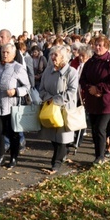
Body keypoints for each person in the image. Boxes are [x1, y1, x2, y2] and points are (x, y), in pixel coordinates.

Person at [79, 36, 110, 165]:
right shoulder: (90, 62)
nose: (97, 48)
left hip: (107, 101)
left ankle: (101, 156)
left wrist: (99, 89)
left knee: (100, 128)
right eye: (96, 45)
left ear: (107, 47)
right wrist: (90, 89)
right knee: (94, 129)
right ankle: (98, 153)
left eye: (100, 45)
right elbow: (82, 79)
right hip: (92, 101)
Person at [39, 45, 79, 174]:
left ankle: (56, 163)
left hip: (64, 110)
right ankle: (62, 154)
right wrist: (49, 98)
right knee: (53, 137)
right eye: (52, 55)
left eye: (55, 55)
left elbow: (71, 92)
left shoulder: (71, 72)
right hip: (50, 109)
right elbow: (41, 89)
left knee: (62, 137)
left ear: (64, 57)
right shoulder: (47, 70)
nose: (52, 57)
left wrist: (56, 100)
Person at [0, 42, 30, 169]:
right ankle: (0, 156)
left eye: (8, 52)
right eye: (3, 52)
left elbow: (27, 87)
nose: (5, 54)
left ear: (14, 54)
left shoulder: (18, 68)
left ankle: (14, 157)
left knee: (13, 133)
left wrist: (16, 91)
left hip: (12, 106)